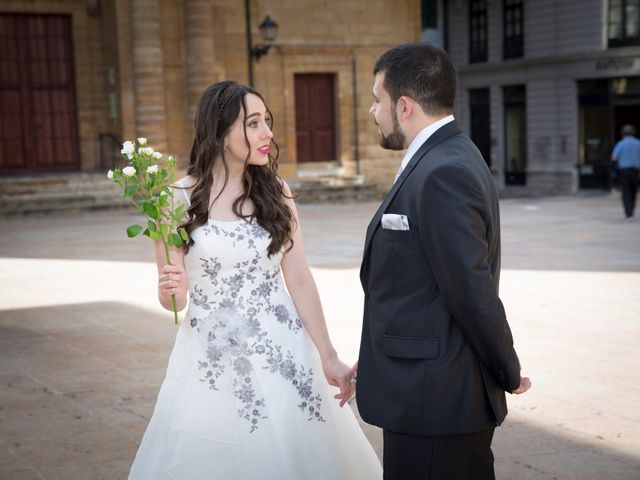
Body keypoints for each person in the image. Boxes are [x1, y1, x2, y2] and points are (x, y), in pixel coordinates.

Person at [128, 80, 382, 479]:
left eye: (267, 121)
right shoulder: (172, 202)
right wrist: (170, 291)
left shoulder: (277, 192)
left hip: (283, 351)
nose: (268, 134)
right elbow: (174, 299)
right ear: (219, 131)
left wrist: (328, 355)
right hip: (211, 358)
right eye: (254, 123)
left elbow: (299, 279)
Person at [355, 43, 531, 480]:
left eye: (377, 99)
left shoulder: (442, 170)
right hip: (423, 392)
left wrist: (506, 367)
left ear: (405, 105)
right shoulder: (446, 156)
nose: (371, 111)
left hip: (435, 402)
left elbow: (470, 290)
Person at [611, 124, 640, 220]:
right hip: (635, 171)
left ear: (623, 133)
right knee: (633, 191)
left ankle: (629, 214)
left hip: (624, 171)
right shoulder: (638, 143)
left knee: (626, 192)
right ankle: (632, 211)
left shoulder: (621, 143)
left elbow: (614, 157)